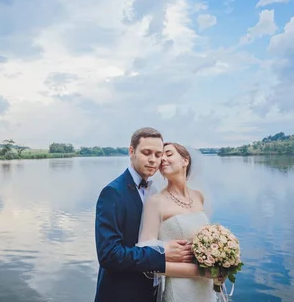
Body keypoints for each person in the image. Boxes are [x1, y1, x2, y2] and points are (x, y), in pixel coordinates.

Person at [94, 128, 194, 302]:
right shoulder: (112, 193)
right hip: (120, 294)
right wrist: (162, 254)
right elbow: (109, 255)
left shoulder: (154, 191)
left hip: (151, 293)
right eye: (146, 153)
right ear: (131, 151)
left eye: (158, 154)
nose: (153, 160)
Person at [138, 142, 220, 302]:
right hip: (180, 290)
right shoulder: (155, 202)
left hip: (205, 288)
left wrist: (219, 267)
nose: (162, 159)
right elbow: (147, 261)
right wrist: (199, 271)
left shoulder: (199, 196)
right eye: (161, 156)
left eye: (168, 154)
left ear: (185, 160)